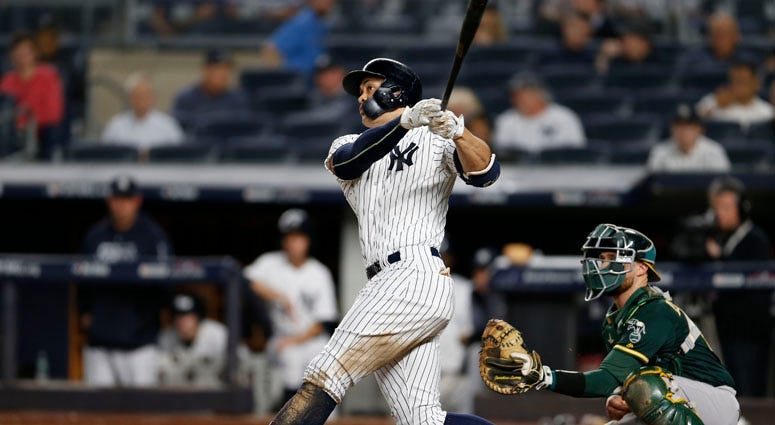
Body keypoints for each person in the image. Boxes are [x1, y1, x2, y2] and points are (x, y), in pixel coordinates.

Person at [270, 58, 500, 425]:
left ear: (396, 92)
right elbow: (349, 162)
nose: (361, 98)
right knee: (422, 420)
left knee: (326, 374)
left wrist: (459, 132)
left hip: (414, 275)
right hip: (387, 281)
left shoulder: (435, 139)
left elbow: (486, 173)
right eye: (360, 92)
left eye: (369, 88)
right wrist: (406, 122)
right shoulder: (348, 142)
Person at [480, 224, 739, 425]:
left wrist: (544, 376)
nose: (602, 264)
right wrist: (618, 395)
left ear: (641, 268)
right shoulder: (615, 318)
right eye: (602, 257)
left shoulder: (655, 310)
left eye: (612, 257)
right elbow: (618, 381)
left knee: (644, 386)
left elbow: (610, 380)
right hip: (677, 399)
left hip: (713, 401)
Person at [79, 175, 173, 387]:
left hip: (140, 345)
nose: (121, 205)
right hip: (100, 343)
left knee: (141, 406)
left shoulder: (152, 237)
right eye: (117, 199)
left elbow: (166, 284)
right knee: (98, 407)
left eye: (126, 199)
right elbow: (82, 280)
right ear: (108, 200)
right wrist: (85, 312)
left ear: (137, 201)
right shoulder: (95, 236)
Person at [243, 209, 338, 407]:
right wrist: (278, 296)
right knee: (291, 359)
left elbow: (324, 322)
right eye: (290, 237)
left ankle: (324, 417)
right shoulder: (270, 263)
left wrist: (295, 340)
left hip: (311, 339)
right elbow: (245, 280)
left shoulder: (319, 273)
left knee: (323, 361)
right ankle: (288, 415)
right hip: (281, 338)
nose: (294, 243)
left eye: (299, 237)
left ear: (308, 240)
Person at [703, 176, 772, 397]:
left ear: (742, 208)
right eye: (716, 208)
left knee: (749, 392)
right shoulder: (724, 239)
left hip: (748, 335)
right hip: (728, 332)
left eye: (726, 207)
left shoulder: (755, 239)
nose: (720, 214)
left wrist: (719, 258)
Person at [0, 31, 64, 159]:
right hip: (13, 134)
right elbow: (5, 112)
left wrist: (28, 122)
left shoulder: (49, 76)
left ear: (35, 53)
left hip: (42, 133)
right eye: (18, 52)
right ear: (12, 56)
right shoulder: (7, 81)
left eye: (26, 52)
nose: (22, 56)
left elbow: (53, 113)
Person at [493, 72, 586, 153]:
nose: (520, 99)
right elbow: (502, 154)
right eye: (516, 95)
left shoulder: (565, 117)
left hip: (560, 167)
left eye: (526, 94)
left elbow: (577, 152)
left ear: (541, 94)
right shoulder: (506, 120)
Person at [157, 293, 230, 387]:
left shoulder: (218, 334)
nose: (182, 322)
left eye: (188, 317)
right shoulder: (166, 337)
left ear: (198, 318)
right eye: (178, 317)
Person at [102, 72, 184, 154]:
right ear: (130, 98)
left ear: (153, 97)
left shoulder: (168, 125)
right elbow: (104, 153)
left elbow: (180, 153)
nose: (141, 100)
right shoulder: (116, 125)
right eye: (137, 96)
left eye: (145, 95)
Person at [171, 49, 250, 129]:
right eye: (219, 69)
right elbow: (177, 125)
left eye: (227, 69)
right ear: (206, 70)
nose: (224, 74)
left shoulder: (237, 98)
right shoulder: (187, 98)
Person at [646, 104, 731, 173]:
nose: (683, 131)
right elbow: (650, 184)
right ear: (671, 129)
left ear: (699, 129)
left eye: (688, 127)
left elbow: (723, 184)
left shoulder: (714, 151)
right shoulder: (660, 151)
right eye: (679, 126)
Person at [260, 0, 335, 76]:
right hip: (297, 76)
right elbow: (271, 49)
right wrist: (278, 77)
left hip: (314, 75)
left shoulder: (322, 23)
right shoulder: (303, 22)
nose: (328, 2)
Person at [696, 61, 775, 128]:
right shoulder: (711, 102)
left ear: (756, 83)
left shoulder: (767, 111)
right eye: (734, 80)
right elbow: (695, 125)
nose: (737, 85)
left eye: (743, 81)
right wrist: (717, 106)